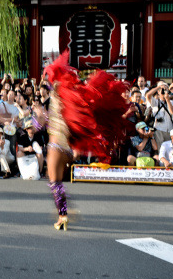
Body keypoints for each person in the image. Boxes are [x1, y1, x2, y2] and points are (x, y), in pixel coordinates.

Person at [42, 53, 129, 231]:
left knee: (54, 183)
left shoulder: (59, 98)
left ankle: (64, 214)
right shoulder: (70, 102)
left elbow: (43, 121)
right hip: (67, 150)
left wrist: (37, 118)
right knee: (56, 183)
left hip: (56, 146)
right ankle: (64, 213)